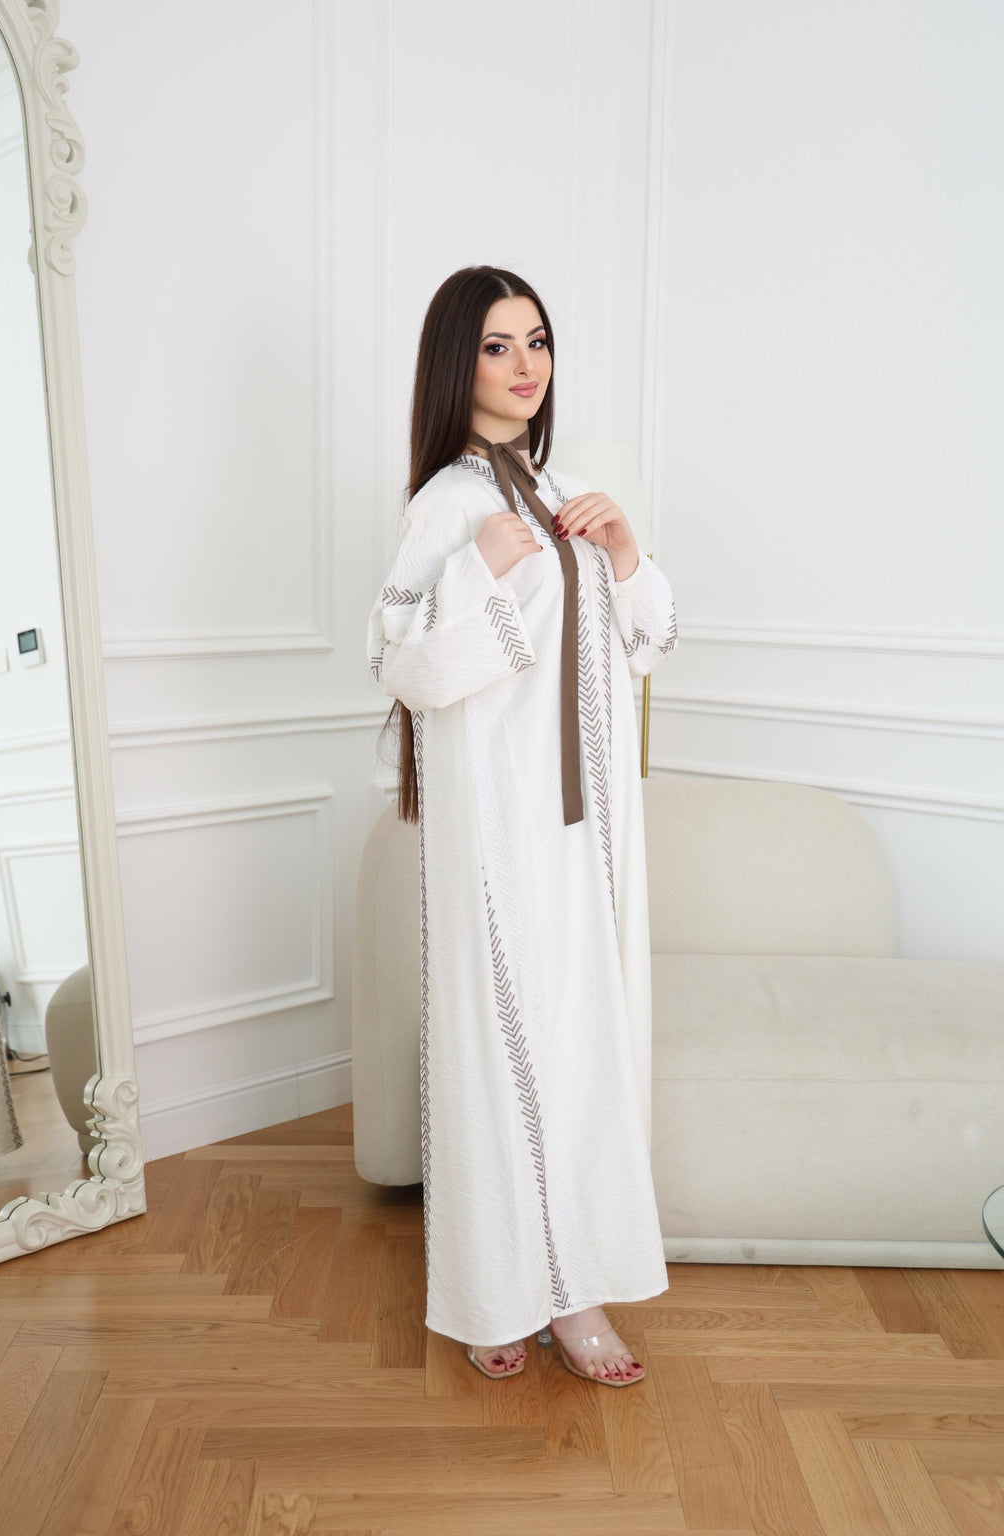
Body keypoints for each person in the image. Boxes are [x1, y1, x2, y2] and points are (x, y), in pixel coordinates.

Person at [365, 265, 678, 1386]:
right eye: (498, 345)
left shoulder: (572, 490)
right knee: (500, 1044)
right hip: (497, 826)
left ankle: (579, 1293)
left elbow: (644, 643)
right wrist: (477, 578)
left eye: (536, 340)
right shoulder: (446, 506)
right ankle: (498, 1289)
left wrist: (625, 555)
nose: (525, 364)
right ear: (460, 363)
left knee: (586, 1044)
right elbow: (402, 666)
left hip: (590, 830)